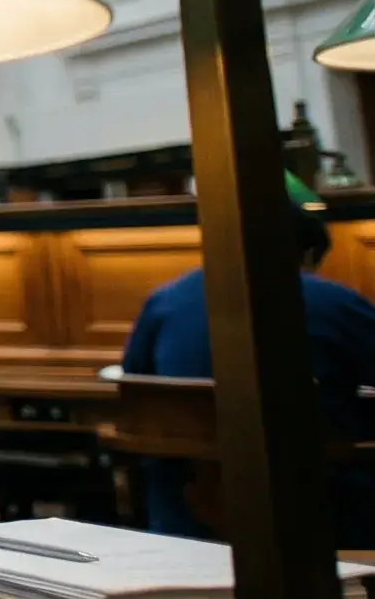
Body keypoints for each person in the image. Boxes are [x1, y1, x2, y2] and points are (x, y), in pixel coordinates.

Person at [122, 207, 375, 545]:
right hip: (317, 509)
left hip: (184, 512)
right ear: (309, 254)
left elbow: (136, 379)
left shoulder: (164, 299)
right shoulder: (333, 300)